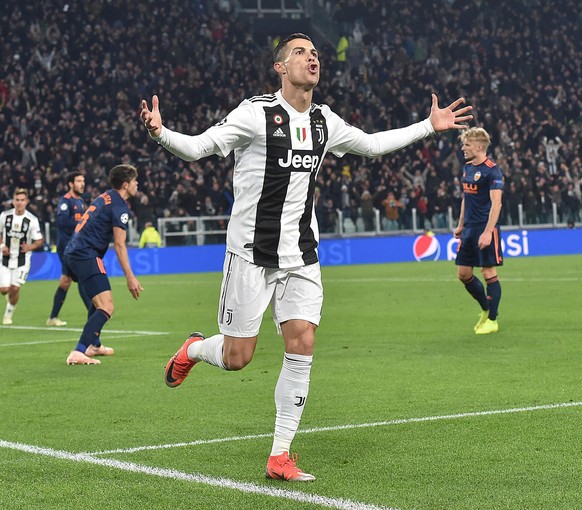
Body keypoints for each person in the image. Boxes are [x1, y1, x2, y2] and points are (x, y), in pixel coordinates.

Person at [140, 32, 472, 481]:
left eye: (315, 53)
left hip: (301, 255)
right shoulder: (255, 113)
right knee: (238, 357)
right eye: (300, 52)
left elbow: (371, 145)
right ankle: (195, 348)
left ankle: (280, 454)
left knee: (302, 342)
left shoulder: (323, 120)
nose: (311, 58)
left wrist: (428, 126)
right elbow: (199, 148)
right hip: (251, 254)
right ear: (281, 67)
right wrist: (161, 133)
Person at [64, 164, 143, 365]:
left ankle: (94, 345)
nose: (137, 184)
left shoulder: (105, 197)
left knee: (96, 303)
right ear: (126, 185)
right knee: (107, 306)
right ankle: (78, 351)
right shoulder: (119, 206)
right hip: (86, 254)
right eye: (135, 181)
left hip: (74, 252)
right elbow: (119, 244)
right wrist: (130, 277)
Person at [454, 127, 503, 335]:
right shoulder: (467, 169)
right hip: (469, 229)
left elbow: (496, 204)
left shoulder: (492, 170)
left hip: (485, 228)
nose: (463, 148)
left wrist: (487, 231)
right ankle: (485, 308)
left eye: (467, 144)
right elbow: (467, 198)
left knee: (488, 272)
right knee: (463, 274)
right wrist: (460, 223)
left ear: (479, 146)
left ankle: (493, 320)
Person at [47, 171, 92, 326]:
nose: (82, 184)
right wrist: (82, 225)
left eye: (83, 181)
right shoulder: (65, 201)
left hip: (76, 247)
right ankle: (94, 313)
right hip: (66, 248)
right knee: (80, 278)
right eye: (78, 181)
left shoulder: (81, 202)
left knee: (66, 280)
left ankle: (53, 317)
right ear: (70, 184)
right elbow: (62, 223)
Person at [0, 188, 44, 325]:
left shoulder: (32, 220)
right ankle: (9, 295)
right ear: (13, 201)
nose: (19, 203)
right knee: (4, 290)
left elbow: (39, 240)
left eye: (22, 200)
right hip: (5, 258)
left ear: (27, 202)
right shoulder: (4, 216)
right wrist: (2, 246)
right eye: (17, 200)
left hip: (22, 260)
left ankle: (8, 314)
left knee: (15, 288)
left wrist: (30, 247)